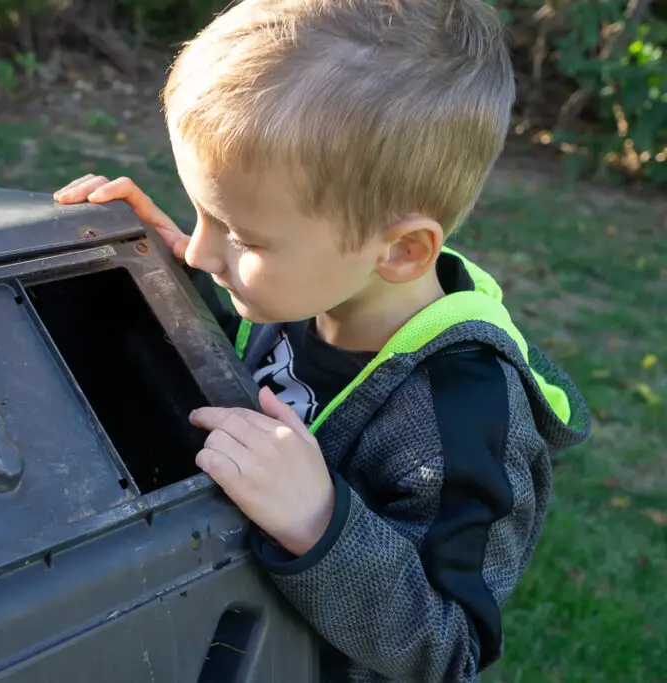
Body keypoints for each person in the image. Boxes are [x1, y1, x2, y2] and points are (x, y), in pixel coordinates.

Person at [54, 0, 591, 680]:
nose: (199, 252)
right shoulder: (308, 288)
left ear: (400, 251)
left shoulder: (463, 417)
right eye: (201, 215)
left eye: (242, 236)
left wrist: (320, 520)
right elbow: (236, 377)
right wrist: (159, 281)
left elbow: (449, 650)